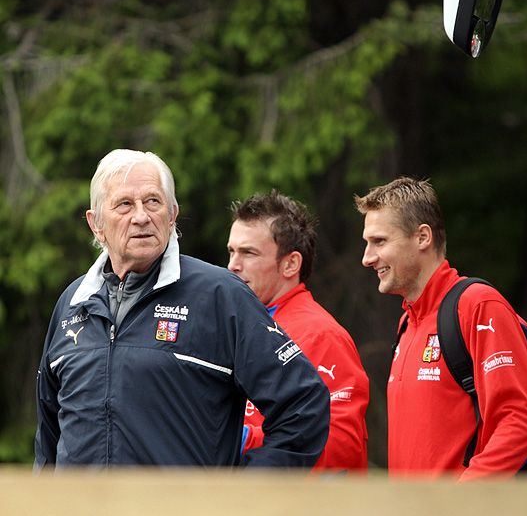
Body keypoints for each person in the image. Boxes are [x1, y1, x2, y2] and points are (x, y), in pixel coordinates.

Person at [34, 149, 330, 468]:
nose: (141, 217)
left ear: (172, 214)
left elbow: (304, 406)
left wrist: (245, 494)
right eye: (124, 204)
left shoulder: (221, 296)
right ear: (96, 223)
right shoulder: (72, 302)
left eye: (153, 202)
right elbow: (48, 438)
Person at [355, 177, 527, 481]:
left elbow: (520, 421)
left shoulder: (478, 305)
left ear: (422, 237)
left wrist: (458, 504)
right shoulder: (407, 323)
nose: (367, 258)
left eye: (379, 241)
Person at [227, 190, 369, 471]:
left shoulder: (322, 335)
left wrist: (240, 440)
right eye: (231, 251)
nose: (233, 266)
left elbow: (341, 446)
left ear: (291, 264)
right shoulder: (235, 326)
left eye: (248, 253)